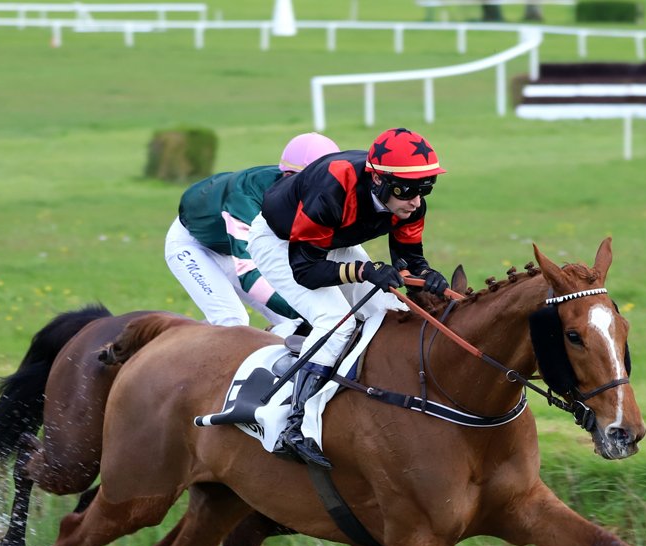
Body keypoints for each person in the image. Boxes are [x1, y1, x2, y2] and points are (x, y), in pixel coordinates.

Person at [246, 126, 450, 469]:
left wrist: (427, 277)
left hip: (331, 240)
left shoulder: (410, 204)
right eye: (406, 190)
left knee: (389, 311)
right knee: (335, 322)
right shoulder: (333, 186)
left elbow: (410, 261)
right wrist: (364, 271)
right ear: (378, 180)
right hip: (284, 244)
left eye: (424, 188)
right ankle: (292, 423)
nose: (416, 201)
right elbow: (306, 270)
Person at [164, 132, 340, 337]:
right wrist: (304, 309)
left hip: (234, 244)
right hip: (194, 245)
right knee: (232, 320)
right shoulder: (246, 201)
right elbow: (248, 273)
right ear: (289, 176)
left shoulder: (300, 188)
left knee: (294, 322)